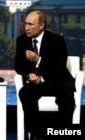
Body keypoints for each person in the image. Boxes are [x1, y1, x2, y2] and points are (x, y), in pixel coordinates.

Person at [14, 10, 76, 140]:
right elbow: (19, 65)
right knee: (25, 93)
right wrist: (28, 74)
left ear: (41, 25)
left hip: (57, 81)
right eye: (25, 23)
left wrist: (38, 60)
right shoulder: (21, 40)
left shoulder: (57, 40)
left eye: (30, 24)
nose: (26, 27)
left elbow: (59, 66)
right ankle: (37, 134)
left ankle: (63, 133)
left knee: (66, 98)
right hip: (37, 83)